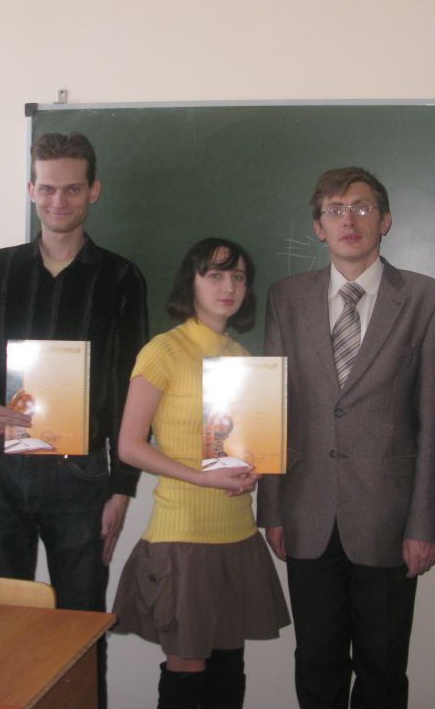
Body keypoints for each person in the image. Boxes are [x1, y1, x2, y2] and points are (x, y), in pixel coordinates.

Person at [0, 132, 147, 706]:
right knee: (1, 625)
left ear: (93, 191)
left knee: (80, 630)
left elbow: (132, 390)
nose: (59, 201)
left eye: (72, 189)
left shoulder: (121, 279)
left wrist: (123, 488)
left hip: (81, 478)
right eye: (48, 188)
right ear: (31, 189)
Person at [257, 167, 435, 709]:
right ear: (318, 226)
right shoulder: (285, 298)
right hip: (306, 512)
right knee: (316, 666)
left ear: (385, 221)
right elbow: (273, 407)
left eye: (362, 208)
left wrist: (424, 525)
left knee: (383, 669)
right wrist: (271, 508)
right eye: (335, 209)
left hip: (389, 519)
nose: (349, 219)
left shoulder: (428, 299)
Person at [112, 237, 289, 709]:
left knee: (229, 673)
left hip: (237, 534)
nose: (228, 286)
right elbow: (129, 446)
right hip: (183, 538)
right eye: (215, 275)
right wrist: (201, 477)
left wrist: (253, 468)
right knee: (187, 675)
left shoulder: (245, 360)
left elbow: (243, 446)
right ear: (189, 283)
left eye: (238, 277)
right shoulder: (164, 351)